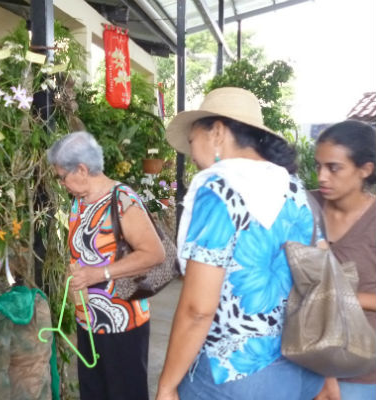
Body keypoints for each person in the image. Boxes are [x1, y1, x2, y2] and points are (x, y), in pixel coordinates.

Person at [155, 87, 324, 400]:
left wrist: (167, 384)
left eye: (192, 141)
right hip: (297, 369)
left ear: (217, 132)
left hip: (232, 375)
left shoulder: (220, 190)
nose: (190, 154)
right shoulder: (298, 192)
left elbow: (197, 310)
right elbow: (319, 278)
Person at [46, 131, 165, 400]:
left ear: (82, 169)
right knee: (94, 391)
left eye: (62, 177)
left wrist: (99, 273)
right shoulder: (79, 203)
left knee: (124, 393)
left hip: (123, 322)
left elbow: (155, 254)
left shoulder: (122, 200)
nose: (61, 183)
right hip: (88, 319)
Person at [313, 120, 376, 400]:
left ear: (365, 170)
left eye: (334, 168)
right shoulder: (305, 207)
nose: (322, 177)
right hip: (303, 360)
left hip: (360, 372)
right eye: (318, 166)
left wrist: (335, 291)